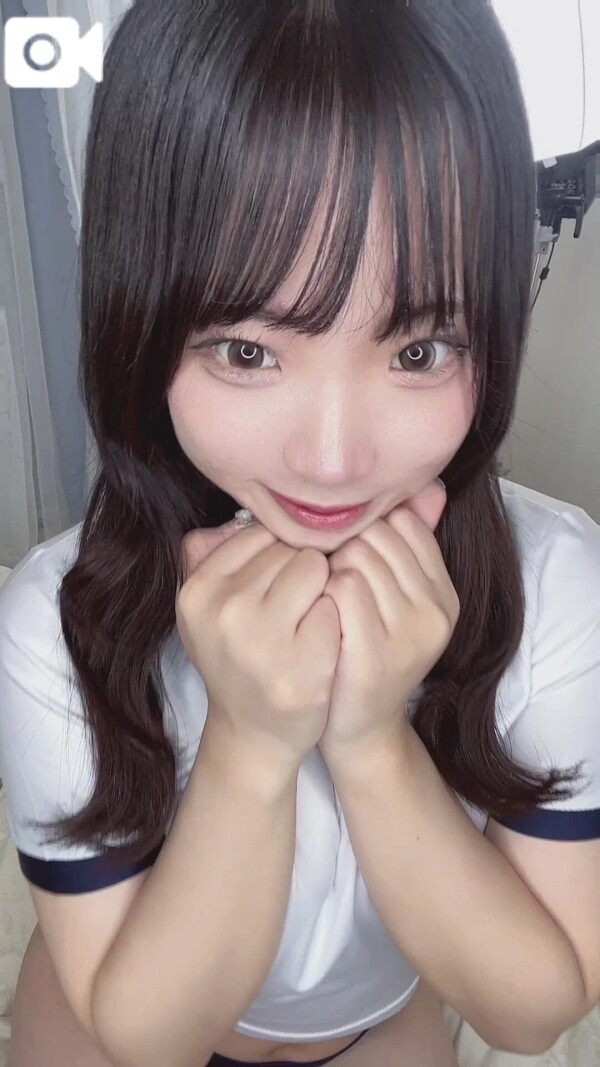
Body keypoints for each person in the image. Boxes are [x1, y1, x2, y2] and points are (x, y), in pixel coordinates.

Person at [1, 1, 599, 1065]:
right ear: (138, 322)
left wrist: (370, 741)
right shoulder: (55, 619)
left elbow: (531, 1010)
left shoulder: (556, 586)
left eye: (417, 350)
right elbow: (148, 1039)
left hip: (374, 1031)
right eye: (246, 350)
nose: (331, 460)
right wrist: (249, 744)